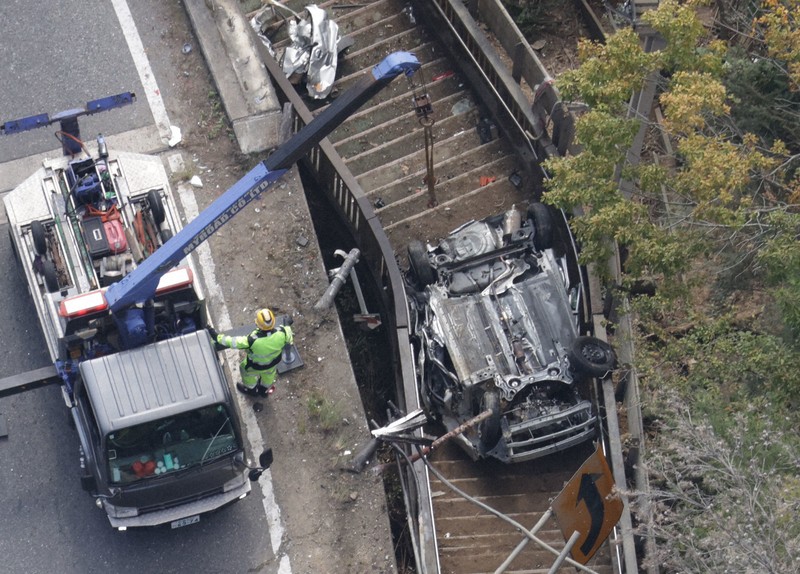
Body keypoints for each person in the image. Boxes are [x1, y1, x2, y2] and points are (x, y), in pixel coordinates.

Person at [207, 308, 294, 397]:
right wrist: (287, 324)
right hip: (273, 364)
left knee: (245, 371)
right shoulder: (283, 333)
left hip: (255, 366)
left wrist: (217, 337)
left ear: (258, 324)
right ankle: (263, 390)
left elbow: (232, 341)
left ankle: (252, 390)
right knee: (269, 375)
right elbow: (289, 334)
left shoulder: (251, 341)